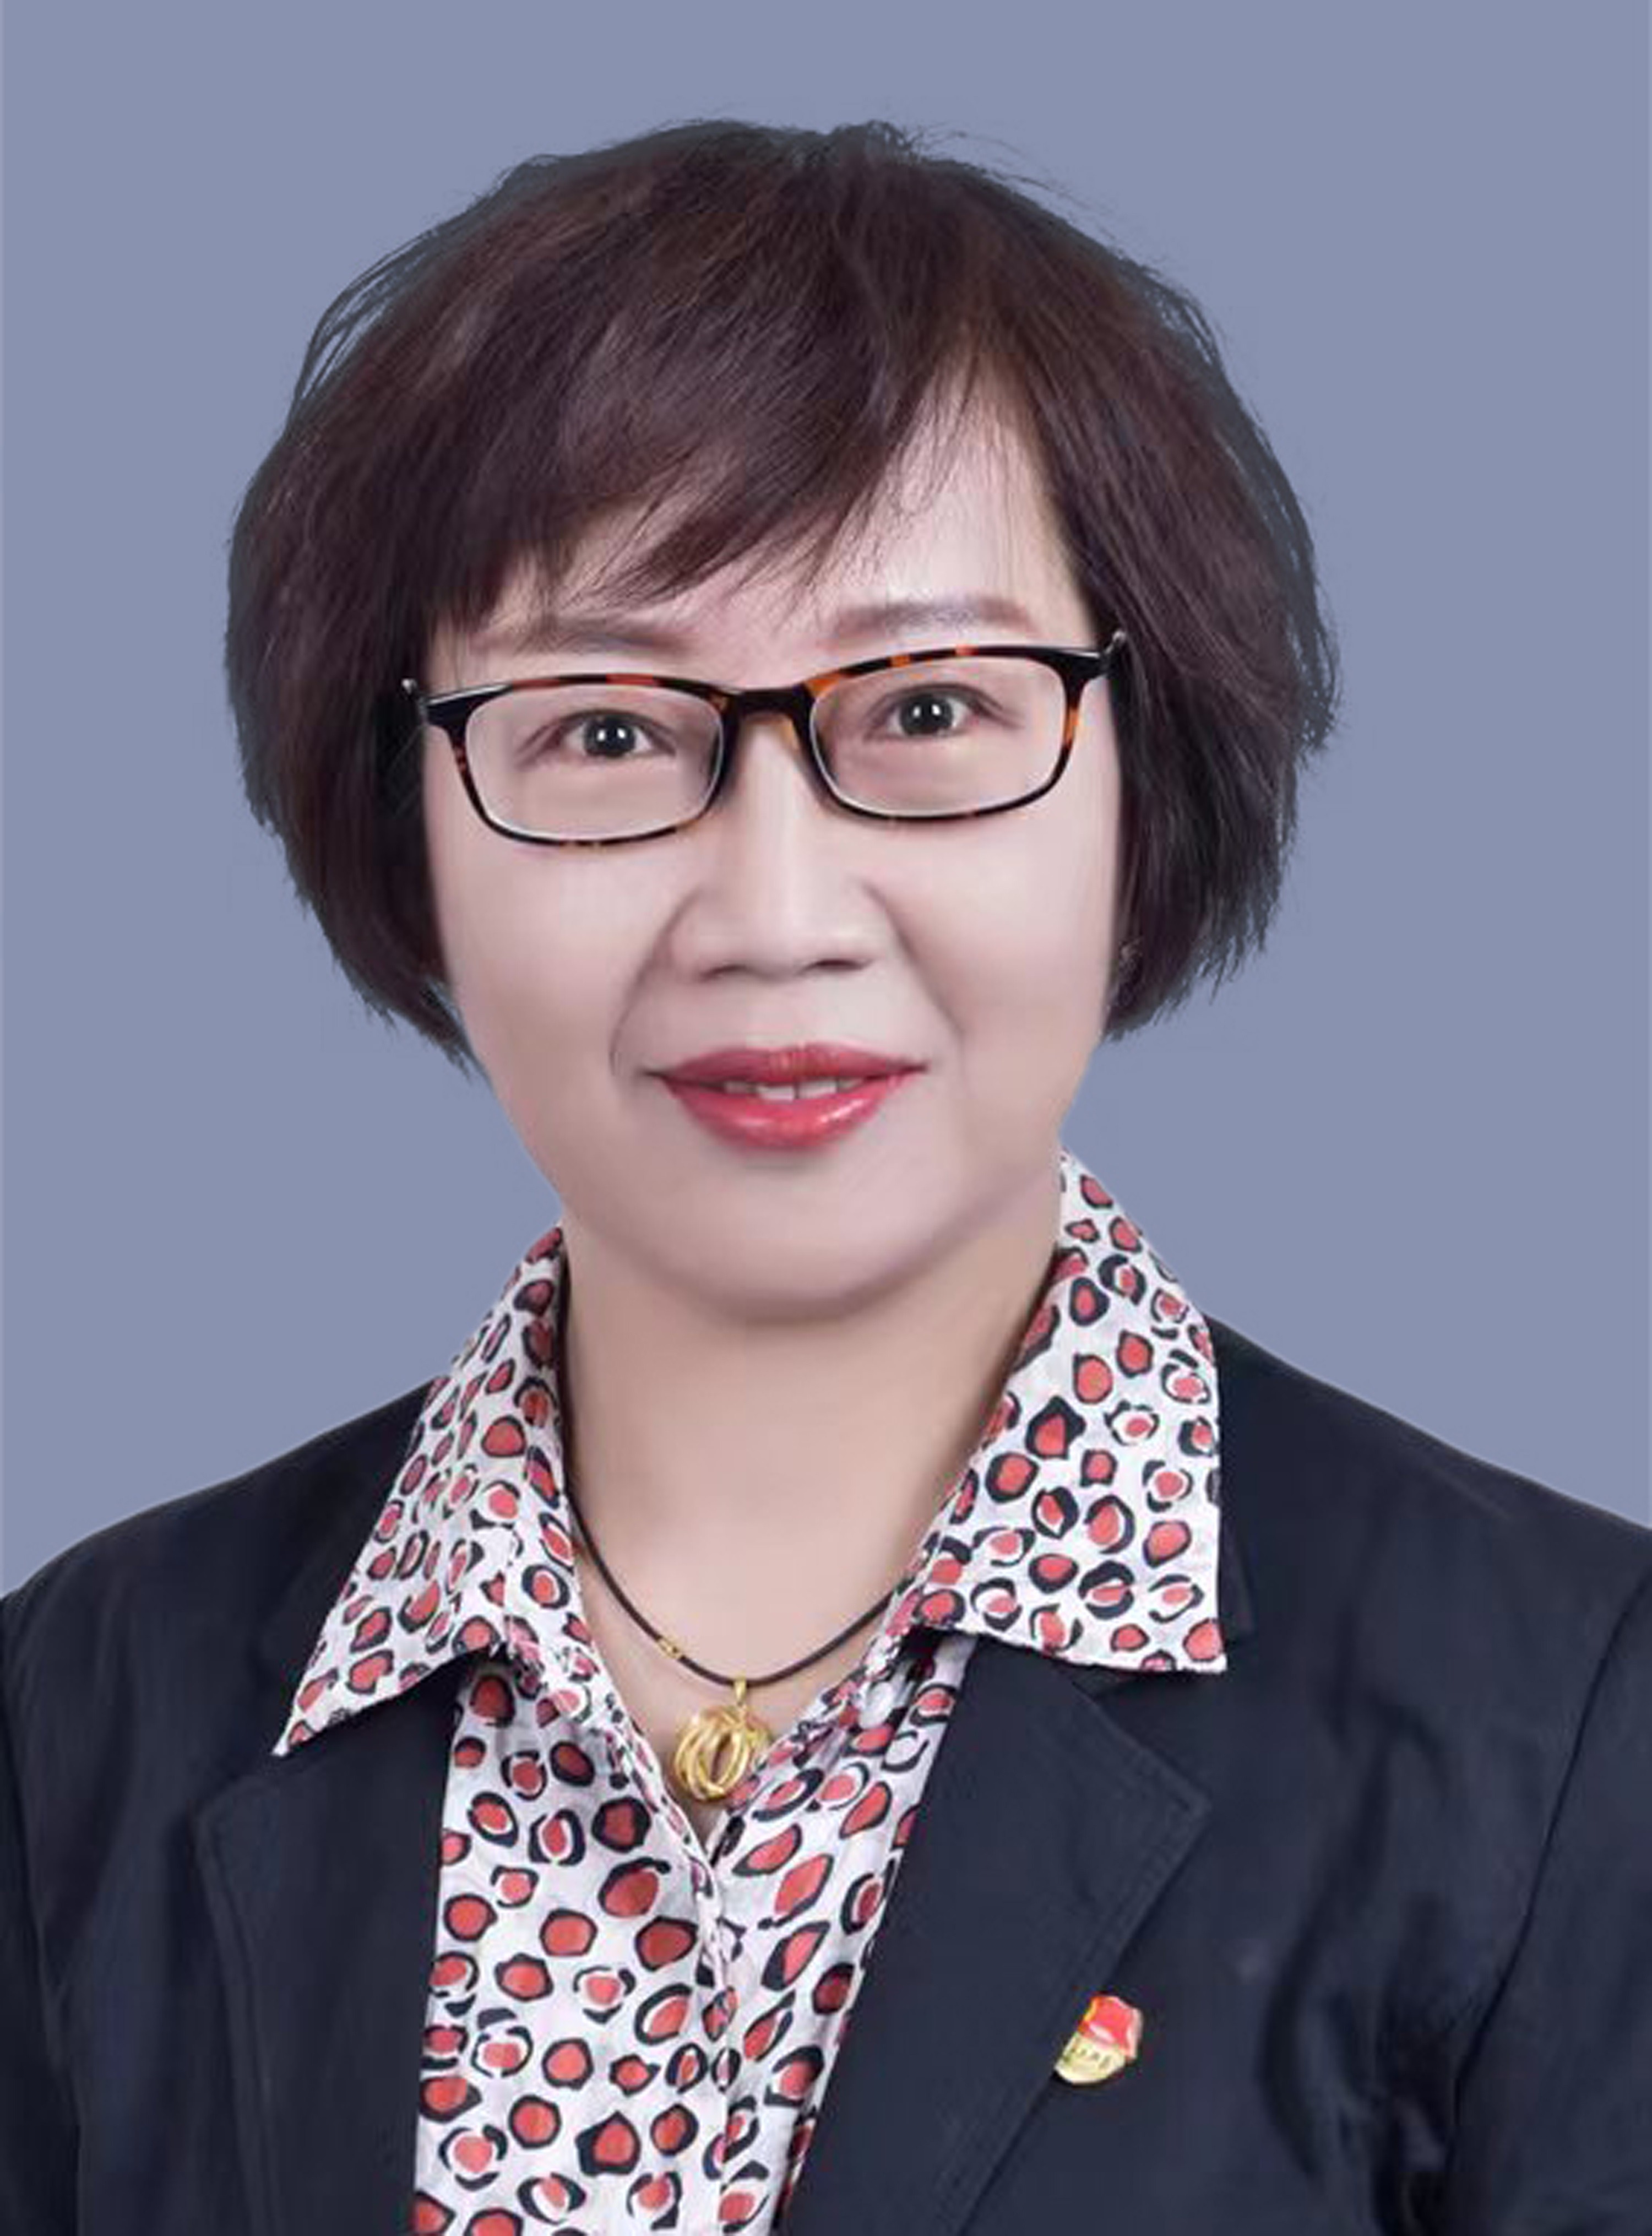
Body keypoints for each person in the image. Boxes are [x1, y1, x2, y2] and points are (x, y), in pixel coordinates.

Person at [3, 116, 1648, 2236]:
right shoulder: (82, 1712)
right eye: (606, 729)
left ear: (1149, 789)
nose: (775, 914)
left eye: (934, 709)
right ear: (402, 822)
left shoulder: (1572, 1722)